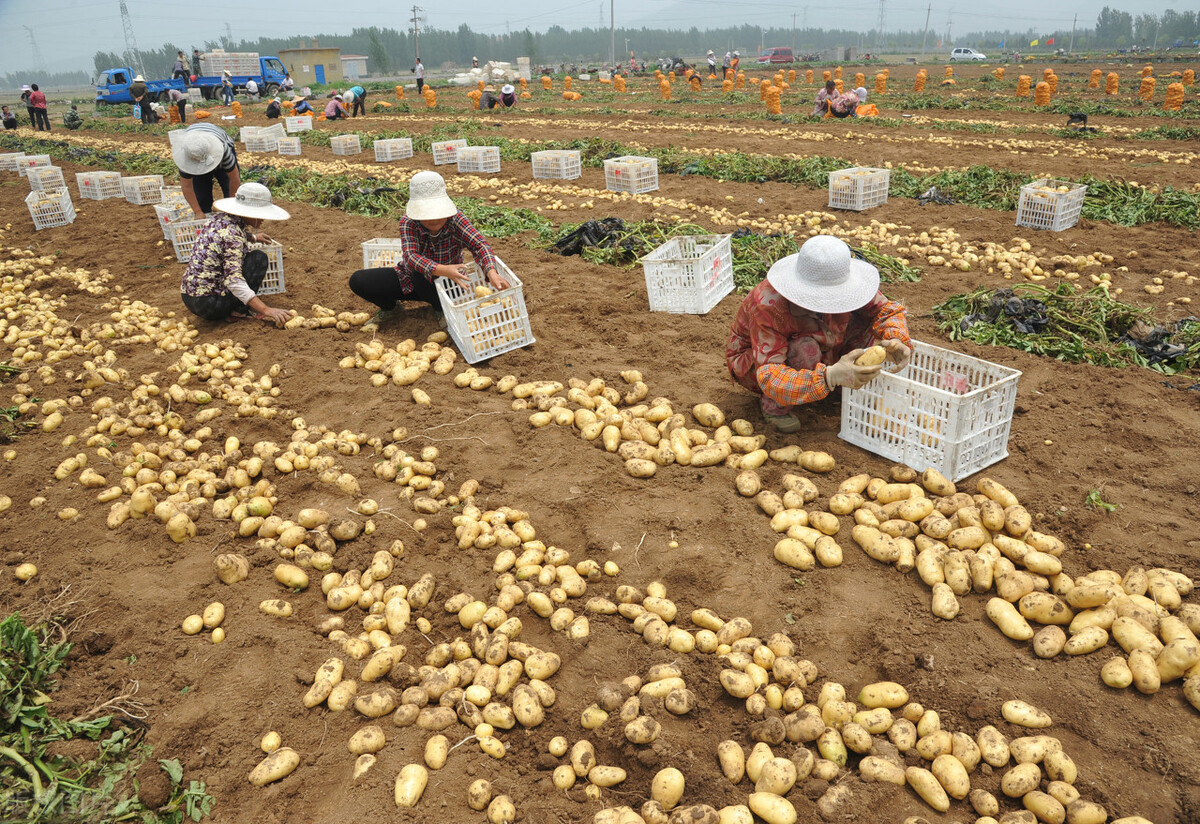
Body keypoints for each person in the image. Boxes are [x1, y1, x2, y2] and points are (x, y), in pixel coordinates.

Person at [726, 235, 912, 433]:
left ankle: (838, 381)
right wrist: (829, 376)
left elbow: (887, 310)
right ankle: (776, 407)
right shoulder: (768, 305)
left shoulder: (852, 288)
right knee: (804, 348)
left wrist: (895, 338)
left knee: (867, 324)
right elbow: (769, 373)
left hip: (829, 341)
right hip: (760, 362)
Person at [349, 170, 511, 328]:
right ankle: (391, 308)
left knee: (421, 274)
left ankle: (440, 309)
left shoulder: (456, 220)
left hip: (450, 285)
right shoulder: (408, 222)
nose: (433, 219)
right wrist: (442, 269)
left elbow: (480, 245)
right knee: (359, 280)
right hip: (411, 279)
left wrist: (491, 272)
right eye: (426, 213)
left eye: (437, 211)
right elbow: (411, 256)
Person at [180, 182, 291, 327]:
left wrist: (253, 237)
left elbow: (225, 238)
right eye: (261, 214)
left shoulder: (217, 220)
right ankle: (238, 311)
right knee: (258, 259)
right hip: (210, 305)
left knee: (249, 258)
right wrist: (266, 310)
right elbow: (234, 280)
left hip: (189, 297)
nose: (264, 219)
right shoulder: (233, 235)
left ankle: (230, 306)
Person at [171, 122, 241, 218]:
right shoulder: (185, 157)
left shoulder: (223, 149)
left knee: (227, 186)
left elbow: (234, 179)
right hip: (194, 151)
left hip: (219, 141)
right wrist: (198, 212)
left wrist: (231, 206)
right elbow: (187, 186)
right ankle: (205, 214)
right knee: (202, 196)